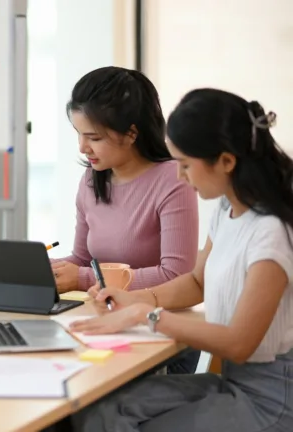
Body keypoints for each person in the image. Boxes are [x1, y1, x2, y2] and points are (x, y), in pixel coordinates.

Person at [71, 89, 293, 431]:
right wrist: (135, 301)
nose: (179, 176)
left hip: (271, 399)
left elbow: (238, 342)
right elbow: (196, 282)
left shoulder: (271, 233)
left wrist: (149, 316)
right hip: (236, 385)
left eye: (186, 165)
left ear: (226, 162)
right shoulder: (228, 209)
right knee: (100, 411)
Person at [51, 67, 199, 294]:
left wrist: (83, 279)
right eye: (78, 134)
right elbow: (82, 259)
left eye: (94, 138)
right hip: (104, 312)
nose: (82, 147)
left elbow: (176, 275)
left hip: (154, 319)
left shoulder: (174, 180)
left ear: (131, 134)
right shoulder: (91, 179)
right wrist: (44, 269)